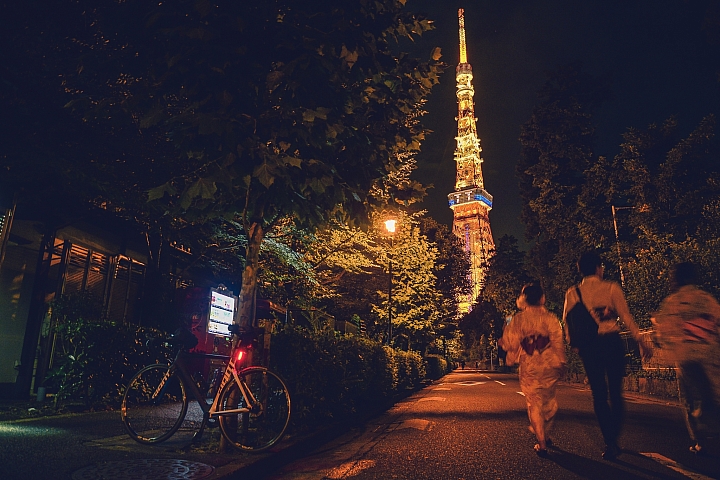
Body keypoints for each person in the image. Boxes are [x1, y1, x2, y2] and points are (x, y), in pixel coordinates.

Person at [562, 251, 651, 460]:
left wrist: (573, 344)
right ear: (597, 268)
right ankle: (614, 436)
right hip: (611, 342)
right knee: (616, 392)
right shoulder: (611, 288)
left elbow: (567, 321)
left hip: (590, 347)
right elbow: (626, 316)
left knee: (598, 394)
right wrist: (641, 340)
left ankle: (609, 440)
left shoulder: (573, 292)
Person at [652, 262, 720, 455]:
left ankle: (699, 441)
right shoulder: (707, 300)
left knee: (690, 400)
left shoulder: (672, 303)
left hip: (686, 359)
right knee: (715, 393)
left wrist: (658, 340)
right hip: (711, 357)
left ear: (676, 279)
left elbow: (661, 334)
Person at [499, 282, 566, 457]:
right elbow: (558, 341)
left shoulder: (518, 320)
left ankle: (541, 441)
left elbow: (510, 343)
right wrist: (562, 361)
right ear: (542, 298)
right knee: (550, 402)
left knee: (534, 403)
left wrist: (505, 344)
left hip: (529, 368)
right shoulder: (551, 318)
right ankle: (545, 433)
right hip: (549, 365)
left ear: (524, 300)